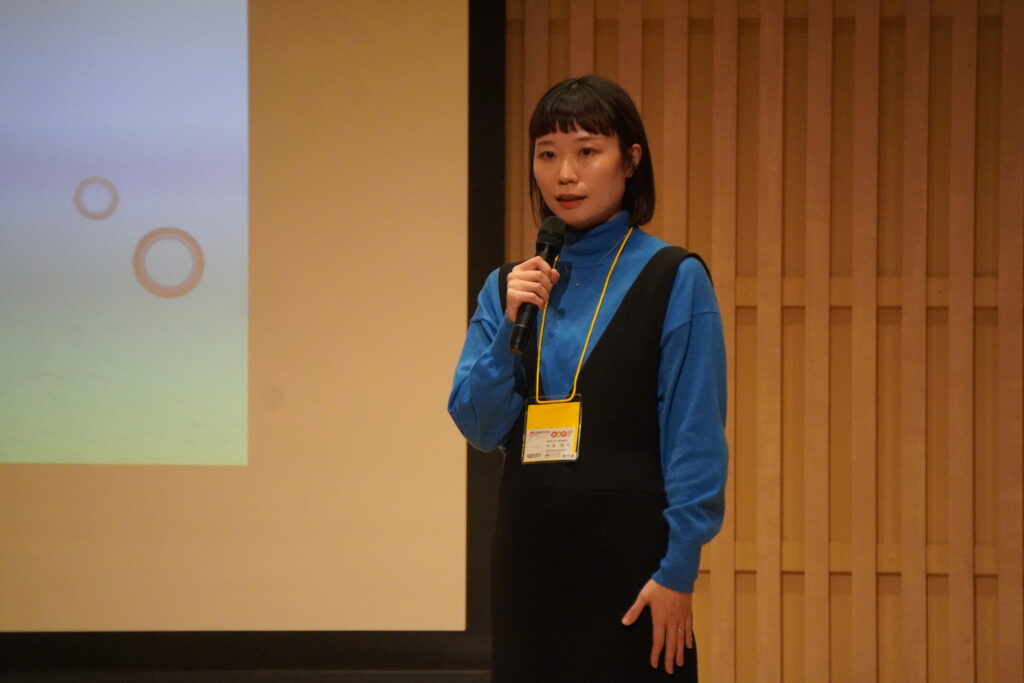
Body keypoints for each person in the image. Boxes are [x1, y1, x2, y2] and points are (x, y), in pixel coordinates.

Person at [448, 75, 727, 681]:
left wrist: (679, 569)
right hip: (528, 565)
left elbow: (695, 435)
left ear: (630, 160)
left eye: (586, 151)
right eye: (547, 154)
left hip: (636, 569)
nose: (564, 174)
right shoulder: (508, 287)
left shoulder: (674, 277)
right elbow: (478, 425)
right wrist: (508, 329)